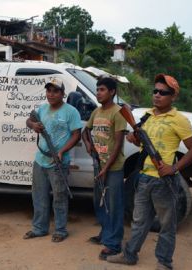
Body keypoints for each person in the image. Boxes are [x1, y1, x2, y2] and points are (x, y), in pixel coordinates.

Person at [106, 74, 192, 270]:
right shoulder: (147, 116)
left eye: (163, 92)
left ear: (173, 96)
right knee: (139, 221)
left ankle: (164, 263)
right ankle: (129, 255)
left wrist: (173, 168)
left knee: (167, 225)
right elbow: (141, 142)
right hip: (144, 177)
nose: (157, 95)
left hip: (163, 180)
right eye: (155, 91)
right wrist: (134, 138)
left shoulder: (179, 120)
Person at [23, 78, 82, 243]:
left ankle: (60, 230)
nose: (51, 94)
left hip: (58, 162)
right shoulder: (42, 109)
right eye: (49, 91)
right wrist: (33, 125)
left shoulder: (71, 112)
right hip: (40, 160)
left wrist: (63, 151)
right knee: (39, 196)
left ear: (62, 94)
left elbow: (77, 135)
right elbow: (29, 120)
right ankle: (39, 228)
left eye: (56, 91)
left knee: (59, 197)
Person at [82, 77, 127, 260]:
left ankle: (114, 244)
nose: (98, 93)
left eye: (101, 89)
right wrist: (88, 145)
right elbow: (86, 131)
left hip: (113, 168)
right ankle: (105, 233)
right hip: (98, 165)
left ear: (112, 92)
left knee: (114, 206)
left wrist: (106, 168)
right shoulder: (97, 112)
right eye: (97, 89)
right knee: (100, 204)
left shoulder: (118, 113)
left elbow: (118, 144)